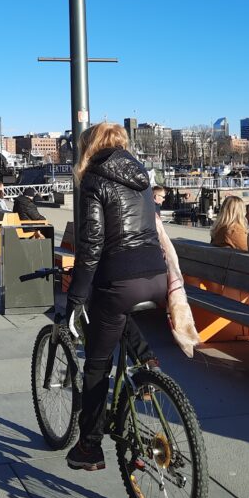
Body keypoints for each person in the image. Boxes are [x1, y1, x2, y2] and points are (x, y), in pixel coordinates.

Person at [65, 123, 167, 472]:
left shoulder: (95, 178)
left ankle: (90, 447)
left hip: (121, 279)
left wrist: (76, 295)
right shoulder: (141, 177)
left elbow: (91, 244)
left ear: (88, 146)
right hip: (155, 276)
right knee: (112, 312)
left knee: (96, 365)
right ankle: (147, 360)